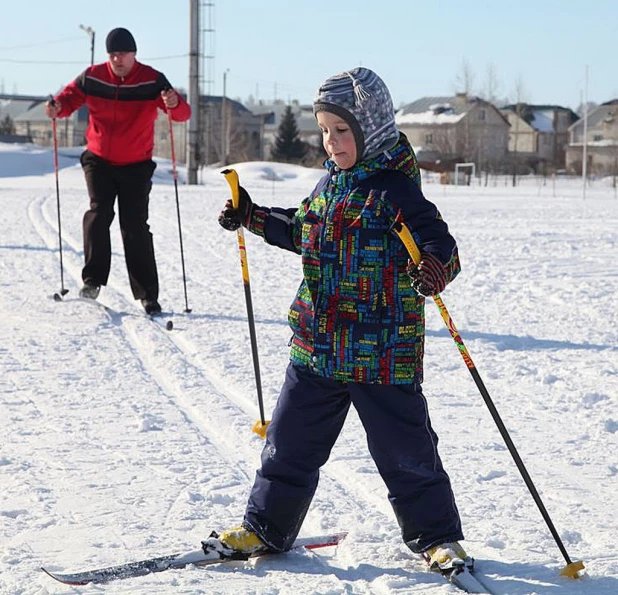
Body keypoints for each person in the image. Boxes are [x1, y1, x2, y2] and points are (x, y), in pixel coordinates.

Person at [215, 67, 468, 569]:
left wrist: (435, 267)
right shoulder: (331, 186)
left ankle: (438, 538)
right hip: (317, 348)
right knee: (286, 447)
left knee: (407, 456)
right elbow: (302, 229)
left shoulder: (395, 190)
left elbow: (441, 242)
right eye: (325, 130)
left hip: (381, 354)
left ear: (370, 129)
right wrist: (255, 216)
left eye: (341, 130)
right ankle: (264, 527)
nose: (330, 142)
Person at [45, 27, 191, 314]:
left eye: (122, 54)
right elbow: (67, 101)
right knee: (99, 214)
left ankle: (148, 295)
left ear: (134, 54)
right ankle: (92, 280)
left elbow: (181, 113)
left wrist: (175, 103)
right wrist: (56, 107)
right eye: (112, 54)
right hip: (98, 159)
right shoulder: (93, 76)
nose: (117, 59)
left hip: (136, 164)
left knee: (135, 226)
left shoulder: (151, 79)